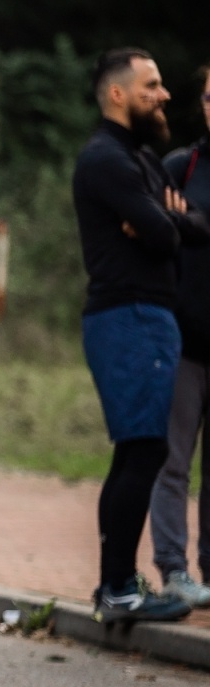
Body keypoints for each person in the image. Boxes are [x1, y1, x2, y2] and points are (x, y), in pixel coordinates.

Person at [76, 48, 207, 623]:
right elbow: (162, 229)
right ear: (118, 95)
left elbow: (188, 229)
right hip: (127, 315)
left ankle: (117, 585)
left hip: (150, 316)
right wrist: (162, 219)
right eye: (151, 85)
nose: (165, 95)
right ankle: (119, 589)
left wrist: (163, 219)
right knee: (145, 450)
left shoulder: (144, 160)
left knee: (138, 450)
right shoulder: (106, 159)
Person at [148, 63, 210, 609]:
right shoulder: (180, 166)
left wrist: (195, 223)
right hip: (184, 342)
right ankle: (173, 567)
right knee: (173, 461)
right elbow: (151, 232)